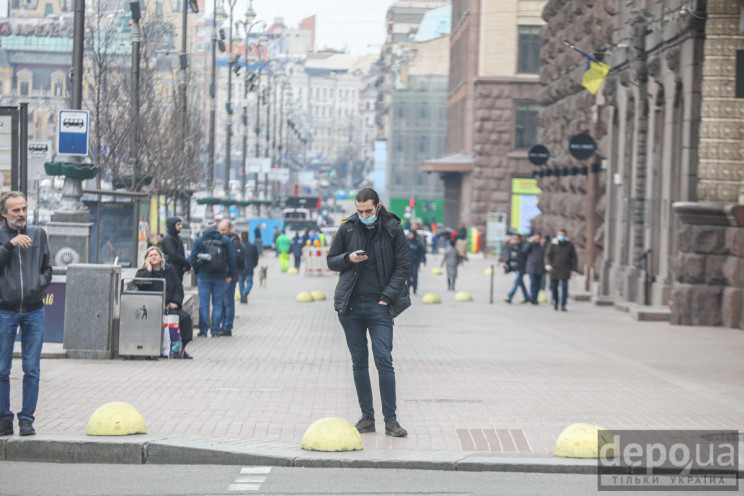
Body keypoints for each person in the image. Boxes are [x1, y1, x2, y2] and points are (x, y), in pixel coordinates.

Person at [327, 187, 411, 438]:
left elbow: (403, 266)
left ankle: (391, 420)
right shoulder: (348, 227)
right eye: (359, 211)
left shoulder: (393, 229)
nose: (363, 215)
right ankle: (367, 417)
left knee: (384, 360)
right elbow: (331, 260)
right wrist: (349, 258)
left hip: (379, 306)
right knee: (359, 362)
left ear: (378, 207)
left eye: (368, 210)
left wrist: (386, 298)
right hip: (351, 307)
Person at [0, 192, 53, 436]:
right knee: (2, 369)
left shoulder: (38, 234)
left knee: (31, 368)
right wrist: (9, 246)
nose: (21, 214)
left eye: (23, 209)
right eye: (15, 210)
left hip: (34, 309)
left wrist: (38, 285)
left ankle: (26, 419)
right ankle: (3, 418)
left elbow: (47, 268)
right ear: (4, 213)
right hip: (5, 310)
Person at [134, 246, 193, 359]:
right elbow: (140, 284)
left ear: (161, 257)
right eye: (150, 255)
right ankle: (155, 349)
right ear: (147, 259)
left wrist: (176, 302)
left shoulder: (169, 270)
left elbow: (178, 287)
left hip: (169, 304)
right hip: (152, 307)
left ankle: (180, 349)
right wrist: (148, 271)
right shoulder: (142, 271)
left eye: (156, 254)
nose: (154, 257)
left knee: (185, 318)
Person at [189, 221, 236, 337]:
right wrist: (230, 274)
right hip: (220, 277)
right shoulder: (225, 241)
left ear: (205, 229)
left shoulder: (199, 241)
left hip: (203, 277)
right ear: (216, 229)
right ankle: (215, 331)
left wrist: (197, 270)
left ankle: (203, 330)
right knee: (218, 304)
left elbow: (192, 259)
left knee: (203, 304)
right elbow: (232, 259)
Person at [216, 220, 243, 336]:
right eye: (220, 229)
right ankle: (222, 325)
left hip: (229, 277)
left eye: (224, 230)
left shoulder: (234, 242)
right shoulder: (220, 241)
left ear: (230, 229)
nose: (221, 232)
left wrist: (231, 275)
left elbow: (238, 260)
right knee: (221, 302)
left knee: (228, 302)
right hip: (220, 276)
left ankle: (227, 327)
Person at [545, 229, 578, 311]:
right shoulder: (553, 243)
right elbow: (547, 255)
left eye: (563, 235)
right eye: (559, 234)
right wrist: (548, 264)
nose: (561, 236)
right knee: (554, 287)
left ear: (565, 235)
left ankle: (563, 304)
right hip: (554, 269)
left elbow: (574, 257)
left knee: (564, 287)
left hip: (565, 269)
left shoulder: (569, 244)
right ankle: (556, 302)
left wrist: (574, 269)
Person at [161, 216, 190, 283]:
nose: (181, 226)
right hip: (171, 269)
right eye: (178, 224)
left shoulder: (177, 237)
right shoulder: (168, 238)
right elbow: (173, 254)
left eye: (180, 224)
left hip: (177, 269)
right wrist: (186, 262)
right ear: (172, 225)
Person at [503, 234, 529, 303]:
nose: (515, 240)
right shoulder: (513, 246)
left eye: (516, 239)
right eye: (514, 239)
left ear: (520, 239)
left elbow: (526, 258)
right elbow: (510, 256)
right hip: (515, 267)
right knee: (521, 283)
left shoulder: (524, 247)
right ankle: (526, 297)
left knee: (516, 282)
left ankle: (509, 296)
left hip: (521, 268)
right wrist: (506, 263)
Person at [523, 234, 547, 304]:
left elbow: (546, 254)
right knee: (533, 283)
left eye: (538, 238)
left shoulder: (542, 247)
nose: (537, 240)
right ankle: (532, 297)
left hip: (540, 268)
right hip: (532, 268)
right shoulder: (531, 245)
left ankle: (535, 297)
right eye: (536, 238)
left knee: (538, 284)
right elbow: (524, 250)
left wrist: (543, 244)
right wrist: (530, 242)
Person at [239, 232, 259, 304]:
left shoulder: (239, 246)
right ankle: (245, 291)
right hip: (249, 267)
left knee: (241, 283)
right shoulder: (253, 246)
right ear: (248, 237)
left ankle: (242, 299)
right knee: (249, 282)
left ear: (241, 237)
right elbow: (256, 257)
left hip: (240, 268)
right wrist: (255, 264)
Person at [406, 230, 426, 294]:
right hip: (407, 261)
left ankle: (414, 288)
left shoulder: (418, 242)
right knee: (408, 276)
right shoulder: (406, 241)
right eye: (410, 234)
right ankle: (408, 288)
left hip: (415, 261)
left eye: (412, 234)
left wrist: (424, 260)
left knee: (414, 275)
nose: (410, 235)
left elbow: (423, 252)